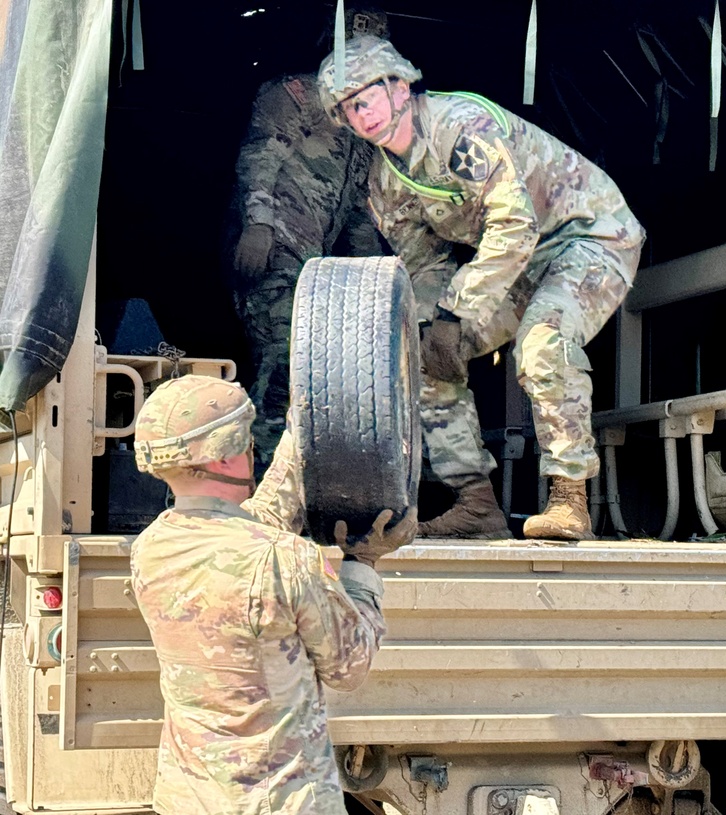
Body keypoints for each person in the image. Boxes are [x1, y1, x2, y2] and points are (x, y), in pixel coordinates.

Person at [315, 35, 646, 541]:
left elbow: (515, 226)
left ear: (400, 88)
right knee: (425, 356)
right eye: (346, 110)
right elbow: (425, 269)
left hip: (591, 237)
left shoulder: (462, 129)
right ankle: (476, 504)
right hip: (518, 263)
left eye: (364, 100)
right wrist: (434, 327)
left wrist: (456, 314)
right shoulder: (387, 182)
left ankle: (569, 499)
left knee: (542, 342)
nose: (360, 117)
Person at [130, 374, 417, 815]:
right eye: (245, 440)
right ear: (225, 457)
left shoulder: (151, 547)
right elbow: (349, 667)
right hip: (279, 801)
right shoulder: (285, 558)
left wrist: (301, 430)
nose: (251, 450)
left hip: (188, 797)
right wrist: (364, 564)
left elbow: (254, 522)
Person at [230, 6, 387, 479]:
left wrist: (372, 279)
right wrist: (258, 225)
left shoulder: (363, 127)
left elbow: (359, 208)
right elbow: (259, 155)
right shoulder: (293, 94)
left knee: (305, 374)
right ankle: (256, 480)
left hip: (314, 275)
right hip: (275, 253)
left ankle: (285, 482)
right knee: (281, 364)